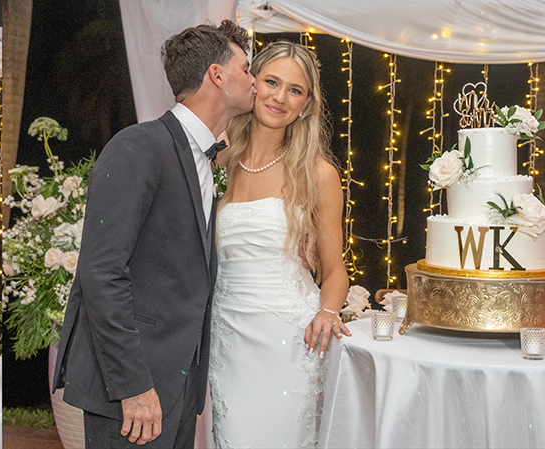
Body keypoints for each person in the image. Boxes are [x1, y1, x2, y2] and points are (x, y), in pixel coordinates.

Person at [51, 20, 255, 448]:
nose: (253, 81)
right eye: (246, 69)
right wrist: (134, 388)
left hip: (176, 387)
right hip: (131, 391)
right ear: (216, 75)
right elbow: (102, 273)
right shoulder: (139, 146)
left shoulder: (204, 160)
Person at [207, 41, 349, 448]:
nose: (280, 97)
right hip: (228, 335)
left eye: (295, 90)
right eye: (271, 82)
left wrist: (326, 312)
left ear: (305, 104)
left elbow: (335, 269)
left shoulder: (318, 174)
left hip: (291, 340)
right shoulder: (217, 159)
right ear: (252, 84)